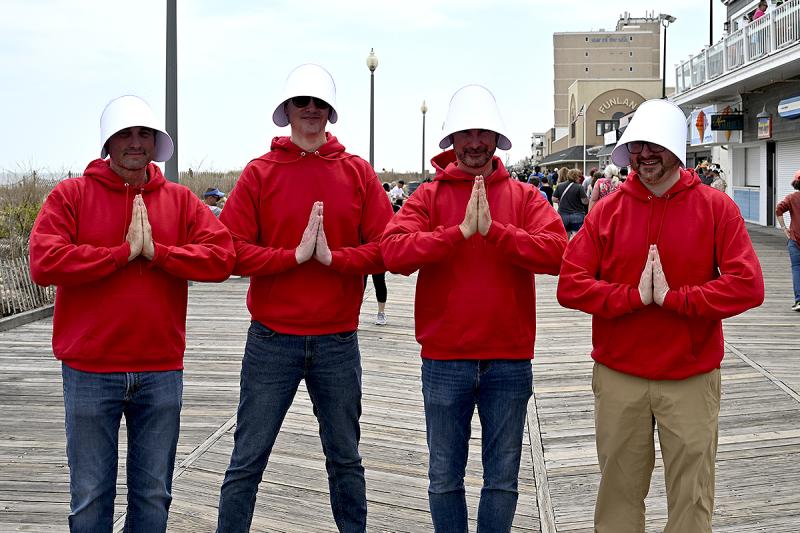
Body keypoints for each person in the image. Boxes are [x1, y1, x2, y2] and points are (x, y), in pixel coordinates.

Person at [28, 95, 236, 531]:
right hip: (90, 369)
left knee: (153, 496)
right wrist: (120, 254)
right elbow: (45, 263)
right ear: (107, 142)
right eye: (125, 134)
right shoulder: (71, 195)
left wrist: (160, 253)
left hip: (160, 369)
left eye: (145, 134)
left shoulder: (180, 200)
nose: (135, 142)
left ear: (157, 144)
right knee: (90, 496)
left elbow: (222, 258)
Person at [556, 99, 764, 533]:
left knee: (692, 496)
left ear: (675, 147)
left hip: (690, 375)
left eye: (655, 145)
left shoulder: (716, 207)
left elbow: (748, 285)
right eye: (637, 145)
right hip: (620, 373)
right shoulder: (607, 210)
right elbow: (570, 285)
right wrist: (632, 297)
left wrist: (676, 299)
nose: (644, 154)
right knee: (618, 493)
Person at [380, 84, 568, 533]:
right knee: (444, 477)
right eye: (466, 133)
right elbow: (393, 253)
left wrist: (497, 232)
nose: (476, 142)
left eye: (484, 133)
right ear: (452, 140)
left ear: (498, 139)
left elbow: (558, 253)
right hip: (445, 359)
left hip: (509, 359)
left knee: (501, 480)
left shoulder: (525, 197)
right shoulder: (428, 196)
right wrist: (459, 233)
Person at [216, 64, 393, 532]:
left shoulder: (357, 172)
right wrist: (291, 257)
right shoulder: (259, 172)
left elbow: (387, 247)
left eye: (319, 103)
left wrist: (335, 259)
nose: (310, 109)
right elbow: (229, 251)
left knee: (346, 459)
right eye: (302, 102)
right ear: (287, 110)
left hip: (338, 340)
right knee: (247, 460)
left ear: (330, 112)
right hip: (271, 339)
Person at [776, 170, 800, 311]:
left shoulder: (791, 198)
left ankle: (799, 300)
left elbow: (778, 210)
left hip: (795, 239)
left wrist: (784, 228)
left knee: (797, 269)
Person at [552, 168, 589, 238]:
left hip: (563, 215)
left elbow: (554, 199)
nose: (580, 178)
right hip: (577, 215)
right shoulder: (579, 187)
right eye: (579, 176)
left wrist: (562, 201)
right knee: (576, 238)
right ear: (575, 176)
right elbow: (585, 201)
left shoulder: (560, 185)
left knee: (565, 237)